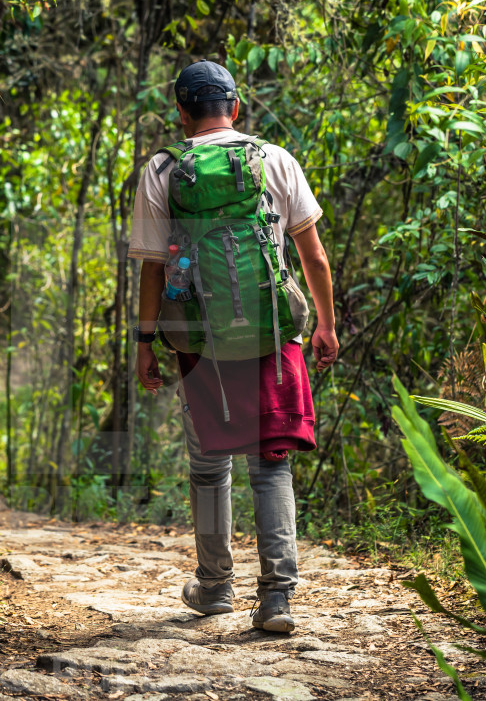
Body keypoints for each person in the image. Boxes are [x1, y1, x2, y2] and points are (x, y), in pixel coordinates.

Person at [129, 59, 339, 633]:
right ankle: (277, 599)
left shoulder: (163, 169)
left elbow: (151, 268)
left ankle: (215, 586)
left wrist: (145, 342)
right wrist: (325, 322)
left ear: (181, 113)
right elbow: (313, 255)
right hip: (274, 334)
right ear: (236, 108)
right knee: (271, 465)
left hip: (200, 340)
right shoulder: (274, 159)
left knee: (207, 465)